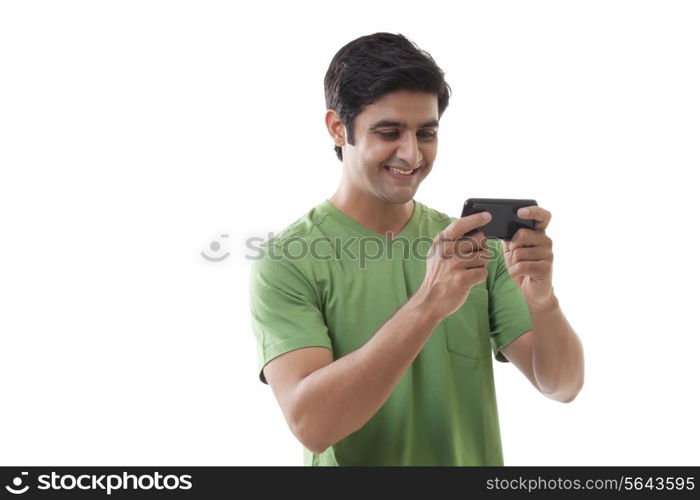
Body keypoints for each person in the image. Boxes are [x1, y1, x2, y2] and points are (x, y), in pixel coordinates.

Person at [248, 32, 584, 466]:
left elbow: (563, 385)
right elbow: (313, 425)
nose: (411, 154)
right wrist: (428, 305)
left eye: (426, 133)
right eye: (389, 132)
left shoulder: (473, 247)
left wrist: (544, 301)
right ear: (337, 128)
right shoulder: (288, 261)